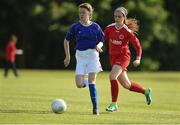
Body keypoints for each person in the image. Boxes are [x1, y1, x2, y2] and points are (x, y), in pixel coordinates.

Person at [104, 7, 152, 112]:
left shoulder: (127, 31)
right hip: (113, 58)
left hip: (123, 57)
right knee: (127, 85)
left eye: (119, 16)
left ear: (124, 17)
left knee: (112, 76)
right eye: (115, 16)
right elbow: (102, 38)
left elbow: (138, 46)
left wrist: (138, 59)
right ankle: (145, 91)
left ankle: (114, 104)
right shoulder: (109, 28)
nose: (117, 18)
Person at [63, 3, 104, 115]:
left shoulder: (95, 26)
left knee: (92, 81)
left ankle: (95, 108)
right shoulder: (75, 27)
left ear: (89, 13)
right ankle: (84, 80)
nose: (81, 15)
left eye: (83, 13)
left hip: (93, 56)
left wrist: (98, 46)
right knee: (79, 84)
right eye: (80, 13)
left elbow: (101, 40)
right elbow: (66, 41)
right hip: (80, 56)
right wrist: (68, 56)